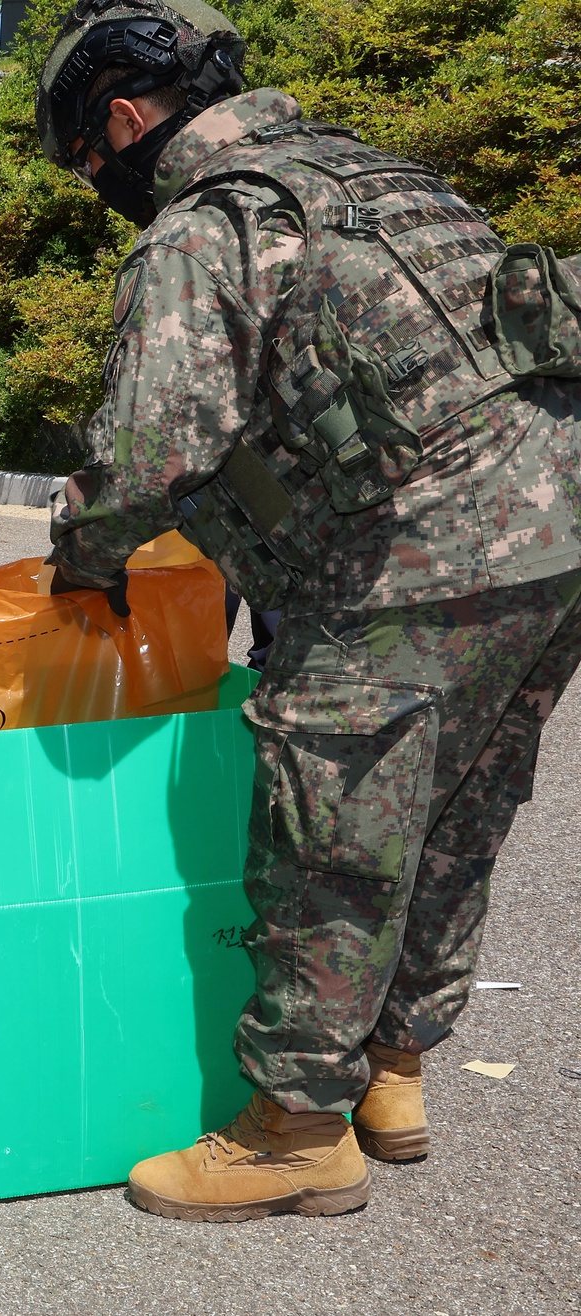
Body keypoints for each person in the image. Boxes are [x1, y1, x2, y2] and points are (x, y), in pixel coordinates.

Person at [37, 0, 581, 1222]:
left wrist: (81, 556)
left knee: (328, 833)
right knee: (453, 808)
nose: (98, 184)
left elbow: (144, 453)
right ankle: (391, 1074)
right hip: (556, 537)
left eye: (86, 162)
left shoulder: (206, 225)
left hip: (414, 556)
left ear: (123, 121)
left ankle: (293, 1128)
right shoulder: (382, 175)